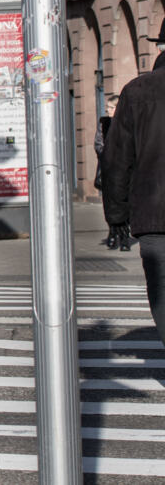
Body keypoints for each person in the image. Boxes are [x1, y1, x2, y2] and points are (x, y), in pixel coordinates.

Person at [102, 42, 165, 346]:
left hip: (154, 217)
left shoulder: (137, 91)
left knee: (163, 294)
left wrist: (117, 216)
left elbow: (116, 159)